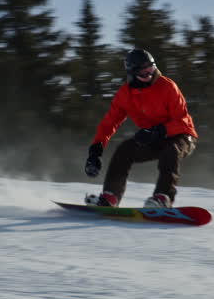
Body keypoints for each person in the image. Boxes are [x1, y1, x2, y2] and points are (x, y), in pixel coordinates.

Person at [83, 48, 198, 208]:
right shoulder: (125, 95)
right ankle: (110, 197)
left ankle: (163, 198)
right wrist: (96, 150)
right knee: (124, 150)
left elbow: (183, 120)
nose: (149, 76)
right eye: (144, 73)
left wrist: (159, 130)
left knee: (171, 150)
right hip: (153, 137)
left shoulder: (167, 87)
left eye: (151, 70)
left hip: (181, 135)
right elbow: (109, 123)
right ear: (132, 73)